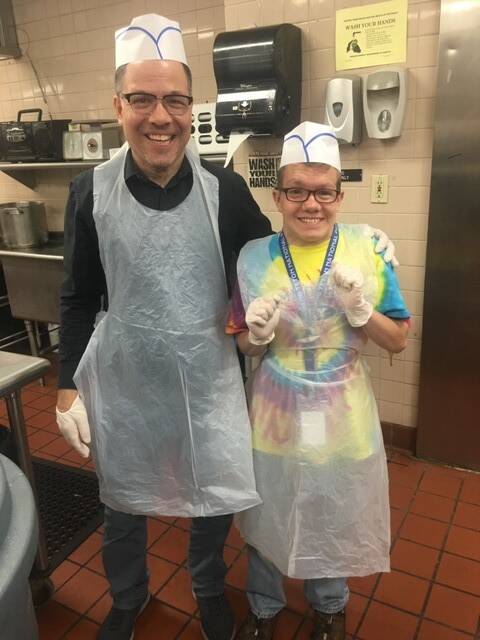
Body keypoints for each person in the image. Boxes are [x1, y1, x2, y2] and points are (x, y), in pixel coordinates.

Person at [55, 15, 397, 640]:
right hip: (125, 379)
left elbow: (278, 256)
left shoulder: (225, 188)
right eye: (142, 99)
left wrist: (359, 241)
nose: (160, 116)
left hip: (207, 375)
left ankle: (209, 588)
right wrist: (66, 387)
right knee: (121, 502)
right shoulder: (90, 192)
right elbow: (78, 297)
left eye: (175, 100)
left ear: (192, 109)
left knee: (214, 494)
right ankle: (128, 597)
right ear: (118, 105)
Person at [226, 122, 410, 640]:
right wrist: (257, 335)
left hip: (342, 413)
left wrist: (362, 310)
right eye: (298, 191)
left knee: (332, 506)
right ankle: (264, 607)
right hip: (275, 413)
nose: (312, 204)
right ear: (277, 195)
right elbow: (242, 341)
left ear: (340, 194)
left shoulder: (368, 251)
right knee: (268, 510)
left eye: (324, 191)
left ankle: (329, 605)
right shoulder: (253, 257)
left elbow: (396, 340)